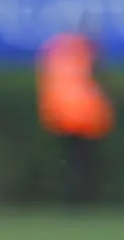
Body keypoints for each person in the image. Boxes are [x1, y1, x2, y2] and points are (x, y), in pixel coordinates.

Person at [36, 25, 115, 208]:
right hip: (87, 116)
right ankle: (85, 201)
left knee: (70, 162)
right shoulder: (88, 53)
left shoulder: (56, 51)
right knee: (86, 163)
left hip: (60, 115)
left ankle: (71, 200)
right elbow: (102, 81)